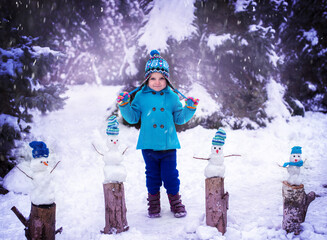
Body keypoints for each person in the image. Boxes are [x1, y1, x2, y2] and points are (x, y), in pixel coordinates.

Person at [117, 50, 199, 218]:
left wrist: (189, 108)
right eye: (153, 78)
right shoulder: (140, 96)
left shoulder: (172, 97)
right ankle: (153, 203)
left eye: (161, 78)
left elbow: (180, 118)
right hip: (148, 145)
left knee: (171, 175)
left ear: (167, 79)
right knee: (152, 176)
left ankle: (175, 202)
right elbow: (132, 118)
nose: (157, 82)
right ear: (147, 79)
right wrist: (125, 105)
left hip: (168, 144)